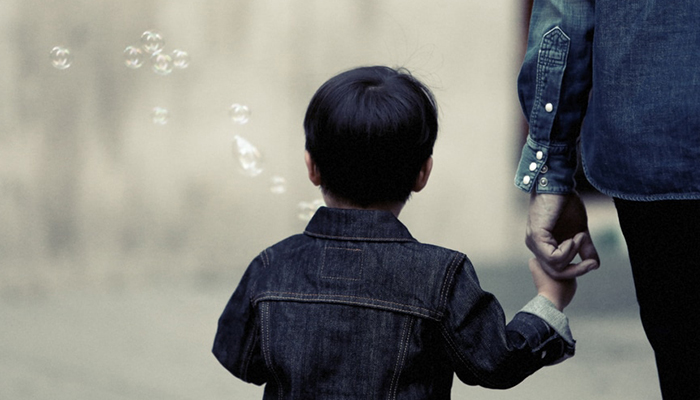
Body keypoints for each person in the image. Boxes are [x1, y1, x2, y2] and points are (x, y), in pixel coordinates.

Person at [213, 65, 580, 399]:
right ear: (424, 172)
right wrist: (549, 300)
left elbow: (240, 359)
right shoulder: (441, 275)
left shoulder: (272, 265)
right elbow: (496, 363)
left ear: (312, 167)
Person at [514, 1, 700, 399]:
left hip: (657, 144)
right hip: (659, 152)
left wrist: (551, 170)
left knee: (687, 358)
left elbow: (566, 12)